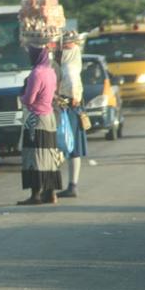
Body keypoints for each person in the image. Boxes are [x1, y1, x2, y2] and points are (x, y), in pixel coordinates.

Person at [17, 47, 63, 205]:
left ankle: (35, 194)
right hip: (49, 118)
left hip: (36, 119)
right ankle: (50, 193)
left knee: (34, 156)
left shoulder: (36, 73)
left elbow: (29, 99)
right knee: (48, 156)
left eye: (31, 54)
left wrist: (21, 96)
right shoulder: (50, 71)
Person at [57, 35, 87, 198]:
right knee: (71, 147)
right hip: (71, 107)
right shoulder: (72, 63)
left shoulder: (68, 67)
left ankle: (72, 185)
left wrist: (66, 99)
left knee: (70, 145)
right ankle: (71, 184)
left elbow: (73, 91)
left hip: (69, 107)